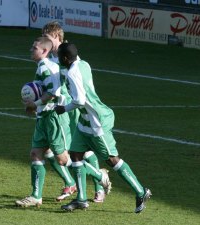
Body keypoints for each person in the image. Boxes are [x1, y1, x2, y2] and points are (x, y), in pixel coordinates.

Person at [55, 42, 152, 213]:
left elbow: (79, 100)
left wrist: (64, 108)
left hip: (96, 122)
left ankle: (140, 191)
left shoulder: (72, 73)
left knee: (112, 159)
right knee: (75, 155)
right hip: (84, 121)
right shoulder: (84, 64)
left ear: (64, 58)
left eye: (59, 57)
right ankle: (81, 199)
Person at [15, 37, 111, 208]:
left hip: (53, 117)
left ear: (44, 51)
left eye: (34, 47)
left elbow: (53, 91)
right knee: (36, 154)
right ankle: (36, 196)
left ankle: (99, 175)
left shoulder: (46, 66)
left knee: (62, 159)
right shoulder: (43, 66)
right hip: (42, 117)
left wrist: (35, 103)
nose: (31, 49)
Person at [42, 21, 108, 203]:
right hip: (59, 110)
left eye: (47, 37)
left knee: (82, 151)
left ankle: (99, 184)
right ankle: (72, 184)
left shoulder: (68, 57)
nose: (43, 41)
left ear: (56, 37)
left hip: (72, 109)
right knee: (53, 149)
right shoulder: (51, 58)